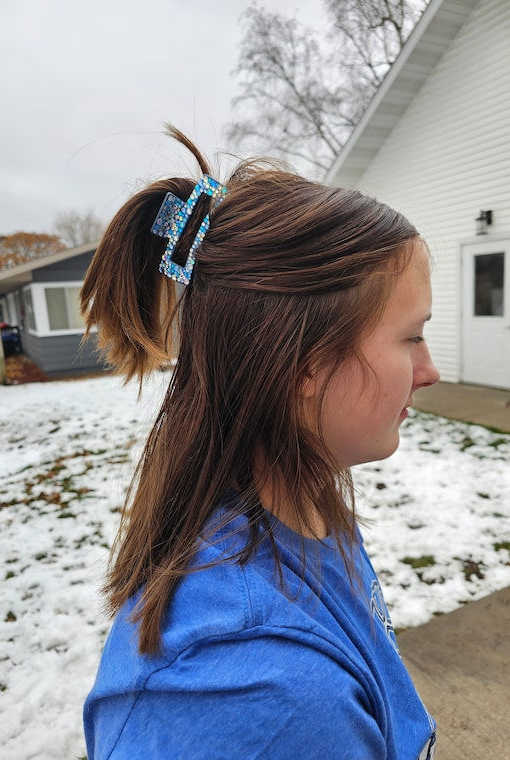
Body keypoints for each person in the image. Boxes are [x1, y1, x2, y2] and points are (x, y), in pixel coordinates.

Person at [81, 126, 440, 759]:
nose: (430, 370)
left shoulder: (303, 512)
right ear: (305, 366)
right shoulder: (263, 697)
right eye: (411, 337)